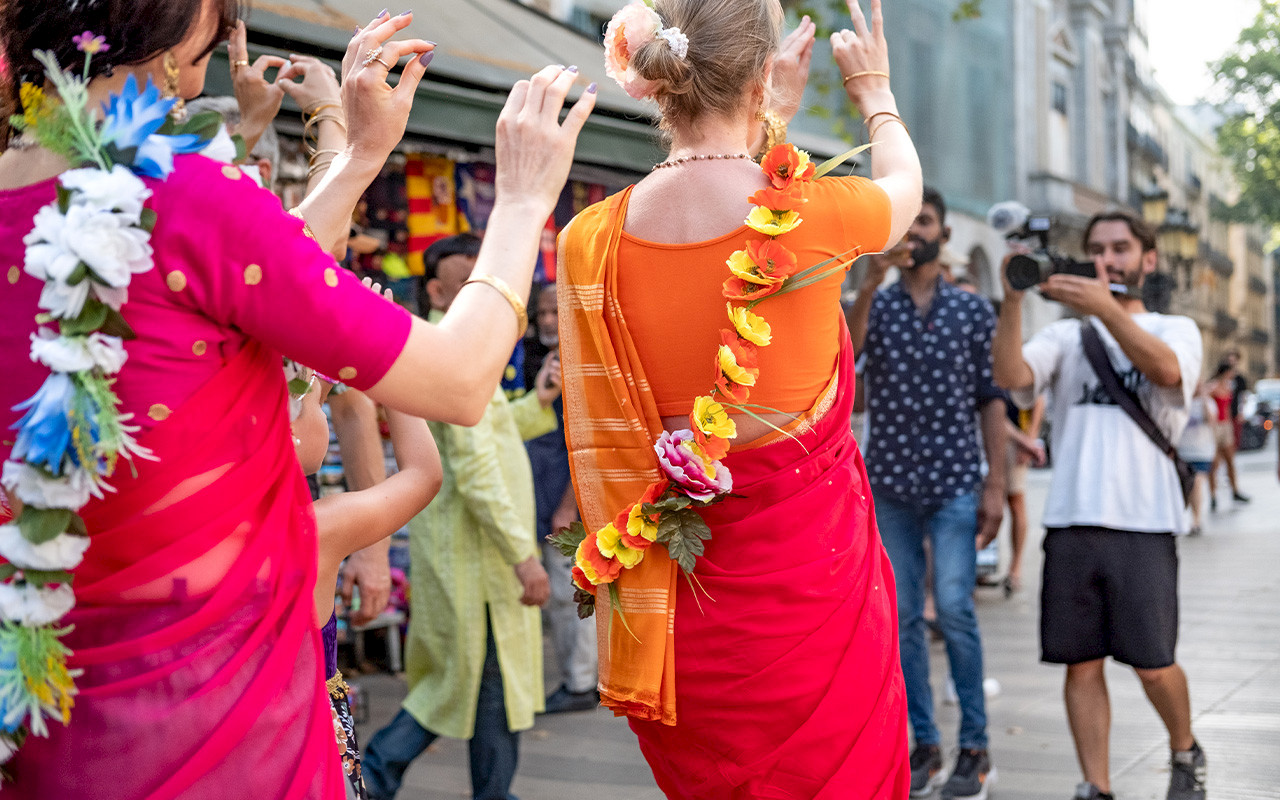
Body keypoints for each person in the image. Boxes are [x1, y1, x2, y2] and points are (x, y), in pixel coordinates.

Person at [0, 1, 596, 794]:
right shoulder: (186, 196)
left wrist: (357, 158)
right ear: (179, 25)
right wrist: (524, 200)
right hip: (219, 713)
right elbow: (458, 379)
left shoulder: (59, 198)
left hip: (54, 712)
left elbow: (239, 285)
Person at [557, 0, 923, 796]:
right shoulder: (821, 211)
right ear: (762, 76)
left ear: (655, 81)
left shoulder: (589, 237)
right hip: (812, 591)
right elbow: (905, 186)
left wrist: (767, 115)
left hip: (684, 613)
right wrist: (875, 92)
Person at [993, 210, 1207, 800]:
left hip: (1146, 524)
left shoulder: (1176, 327)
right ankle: (1097, 785)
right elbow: (1013, 377)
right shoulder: (1066, 335)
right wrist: (1012, 299)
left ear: (1148, 259)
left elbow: (1165, 370)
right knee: (1080, 662)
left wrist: (1106, 308)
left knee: (1153, 662)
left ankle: (1185, 751)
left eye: (1120, 248)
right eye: (1096, 249)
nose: (1107, 260)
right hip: (1072, 522)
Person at [361, 235, 562, 800]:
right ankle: (375, 775)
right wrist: (524, 558)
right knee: (466, 687)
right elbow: (475, 471)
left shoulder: (457, 348)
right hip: (475, 559)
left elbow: (488, 437)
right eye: (466, 278)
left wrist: (537, 404)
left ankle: (478, 791)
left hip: (476, 558)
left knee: (474, 689)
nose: (482, 289)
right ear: (435, 289)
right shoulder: (445, 349)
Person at [847, 186, 1006, 800]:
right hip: (889, 484)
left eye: (926, 223)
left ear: (944, 235)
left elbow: (991, 401)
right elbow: (848, 356)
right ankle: (923, 742)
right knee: (905, 618)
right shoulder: (878, 306)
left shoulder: (972, 312)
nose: (915, 234)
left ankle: (975, 746)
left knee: (957, 610)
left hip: (956, 484)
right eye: (906, 225)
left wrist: (996, 483)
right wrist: (868, 281)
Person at [525, 282, 600, 714]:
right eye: (543, 313)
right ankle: (578, 677)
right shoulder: (536, 359)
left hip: (565, 499)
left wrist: (570, 504)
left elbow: (587, 439)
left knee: (570, 587)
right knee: (558, 590)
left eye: (556, 312)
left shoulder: (581, 363)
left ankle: (580, 683)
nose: (549, 321)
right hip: (540, 494)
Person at [1002, 394, 1045, 593]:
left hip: (1014, 436)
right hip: (989, 434)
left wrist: (1028, 440)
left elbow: (1038, 399)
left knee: (1016, 502)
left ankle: (1015, 567)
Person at [1207, 361, 1249, 509]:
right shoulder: (1213, 386)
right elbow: (1206, 405)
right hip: (1215, 426)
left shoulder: (1229, 386)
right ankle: (1212, 495)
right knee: (1214, 463)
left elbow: (1230, 407)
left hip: (1226, 425)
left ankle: (1235, 490)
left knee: (1230, 460)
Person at [1177, 382, 1216, 536]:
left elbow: (1212, 420)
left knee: (1197, 483)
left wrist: (1205, 399)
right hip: (1184, 451)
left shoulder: (1208, 403)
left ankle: (1196, 520)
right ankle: (1187, 517)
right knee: (1187, 487)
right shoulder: (1181, 402)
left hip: (1203, 451)